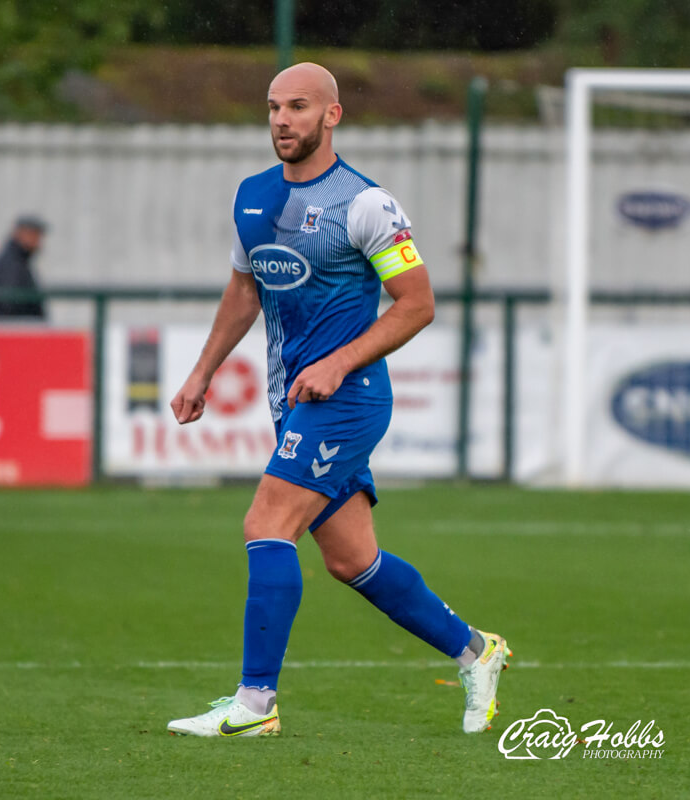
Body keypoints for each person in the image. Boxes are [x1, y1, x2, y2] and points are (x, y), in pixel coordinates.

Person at [166, 63, 509, 738]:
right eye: (272, 108)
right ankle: (477, 651)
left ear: (332, 115)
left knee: (266, 523)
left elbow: (417, 305)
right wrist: (203, 371)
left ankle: (255, 706)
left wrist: (340, 361)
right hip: (293, 399)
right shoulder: (252, 197)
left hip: (348, 397)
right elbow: (244, 291)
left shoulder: (366, 204)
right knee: (352, 559)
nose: (281, 120)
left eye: (297, 107)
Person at [0, 215, 48, 320]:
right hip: (14, 332)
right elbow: (6, 306)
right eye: (34, 235)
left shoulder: (17, 260)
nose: (38, 242)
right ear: (20, 233)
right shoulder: (11, 263)